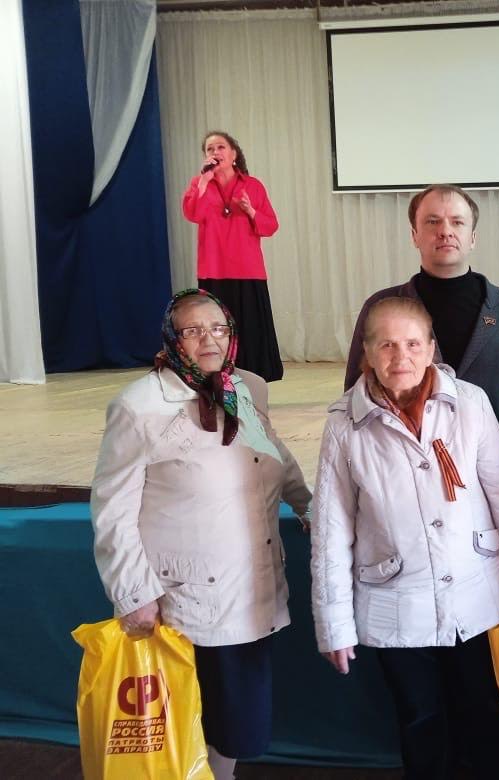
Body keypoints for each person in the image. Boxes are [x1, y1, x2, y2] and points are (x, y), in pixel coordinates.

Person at [313, 297, 499, 779]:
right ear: (366, 353)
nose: (401, 356)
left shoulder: (471, 404)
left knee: (485, 713)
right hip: (396, 606)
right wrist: (334, 623)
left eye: (413, 344)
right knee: (421, 721)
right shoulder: (343, 425)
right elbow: (332, 529)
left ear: (431, 348)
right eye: (386, 345)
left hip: (478, 598)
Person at [90, 289, 311, 780]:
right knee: (195, 715)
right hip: (187, 594)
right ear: (172, 340)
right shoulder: (139, 406)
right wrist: (133, 593)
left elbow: (272, 453)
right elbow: (112, 507)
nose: (208, 339)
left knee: (238, 721)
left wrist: (307, 505)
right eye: (192, 330)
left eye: (218, 328)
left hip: (251, 583)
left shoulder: (245, 387)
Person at [343, 184, 499, 478]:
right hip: (400, 469)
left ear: (472, 237)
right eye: (432, 222)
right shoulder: (380, 309)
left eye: (457, 222)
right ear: (414, 235)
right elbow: (356, 389)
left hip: (485, 468)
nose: (445, 231)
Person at [182, 130, 284, 382]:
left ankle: (255, 378)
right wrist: (203, 182)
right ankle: (219, 376)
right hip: (213, 268)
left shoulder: (253, 185)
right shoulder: (199, 183)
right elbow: (192, 214)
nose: (215, 153)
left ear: (234, 154)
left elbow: (271, 226)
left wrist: (251, 211)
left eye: (221, 147)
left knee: (250, 327)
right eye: (210, 149)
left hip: (247, 269)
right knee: (217, 327)